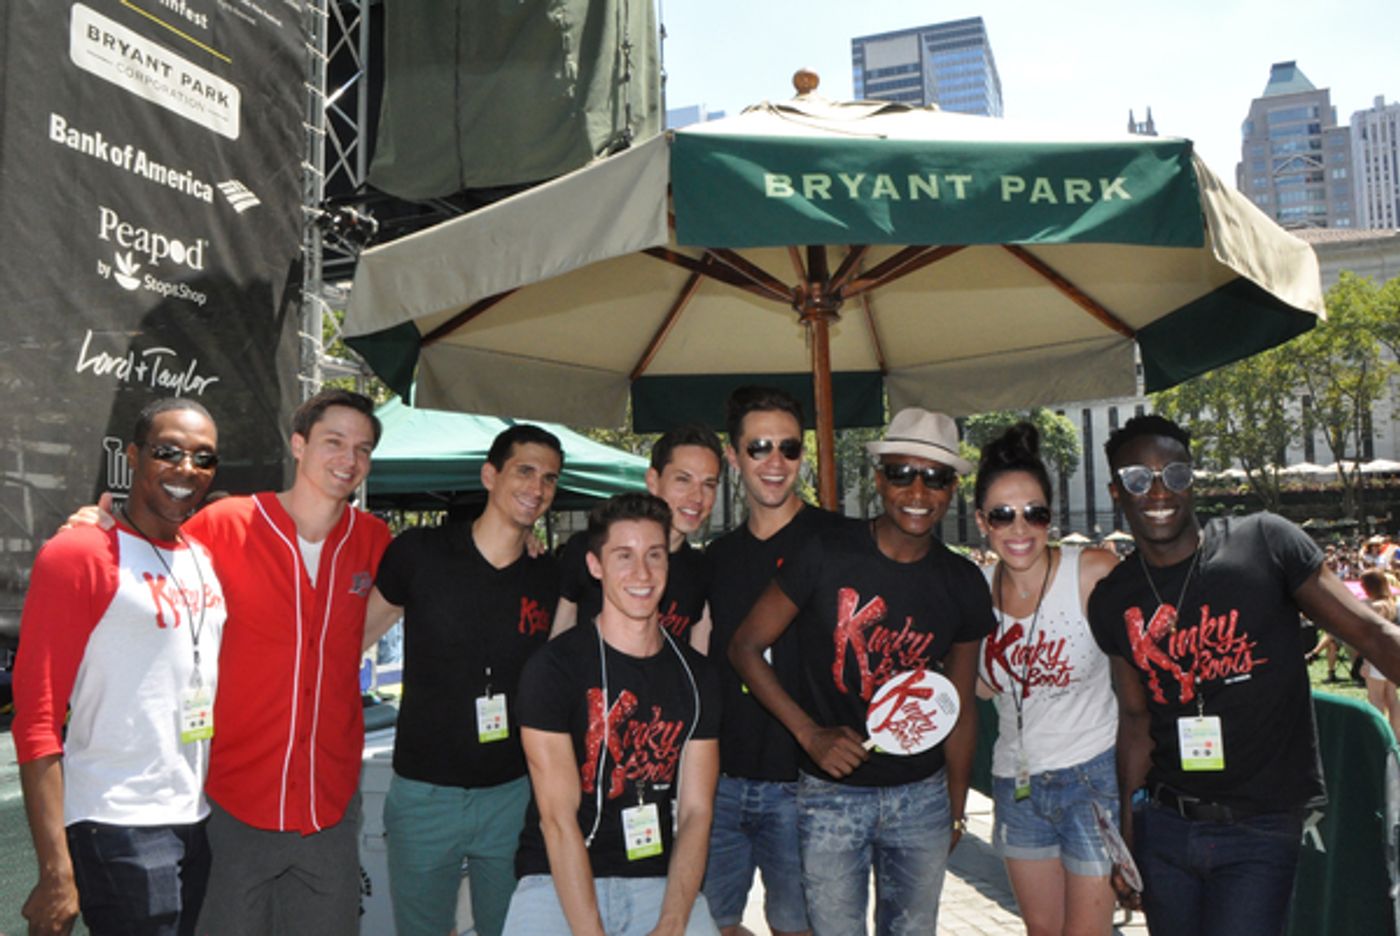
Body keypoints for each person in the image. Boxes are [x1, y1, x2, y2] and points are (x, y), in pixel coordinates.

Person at [1087, 414, 1400, 936]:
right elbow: (1136, 720)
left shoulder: (1264, 544)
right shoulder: (1115, 600)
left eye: (1176, 474)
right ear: (1117, 492)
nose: (1159, 490)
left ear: (1194, 480)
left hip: (1260, 828)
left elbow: (1371, 635)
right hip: (1164, 827)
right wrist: (1128, 832)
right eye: (1139, 478)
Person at [730, 407, 996, 936]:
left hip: (922, 794)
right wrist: (809, 734)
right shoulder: (825, 551)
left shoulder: (962, 581)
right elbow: (744, 646)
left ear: (953, 489)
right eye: (901, 473)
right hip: (831, 794)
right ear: (879, 479)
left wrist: (956, 808)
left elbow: (959, 709)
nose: (918, 491)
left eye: (936, 477)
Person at [15, 398, 227, 936]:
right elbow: (36, 719)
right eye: (168, 452)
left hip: (196, 818)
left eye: (204, 459)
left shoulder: (203, 555)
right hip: (116, 823)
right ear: (132, 457)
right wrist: (55, 869)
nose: (187, 470)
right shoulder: (80, 553)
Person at [364, 425, 564, 936]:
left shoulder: (550, 575)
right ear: (490, 475)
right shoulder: (421, 552)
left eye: (549, 479)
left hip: (512, 794)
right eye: (525, 471)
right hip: (424, 794)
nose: (537, 488)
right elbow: (354, 639)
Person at [502, 492, 722, 935]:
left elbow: (697, 811)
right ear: (595, 565)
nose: (642, 573)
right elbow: (558, 820)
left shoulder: (696, 676)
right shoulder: (553, 669)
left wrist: (673, 921)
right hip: (555, 877)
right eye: (624, 556)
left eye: (654, 556)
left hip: (657, 879)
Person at [702, 385, 849, 936]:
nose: (775, 462)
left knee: (800, 926)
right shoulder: (716, 559)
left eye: (789, 448)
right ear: (734, 455)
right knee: (710, 922)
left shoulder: (840, 541)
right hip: (723, 779)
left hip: (807, 783)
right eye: (759, 447)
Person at [973, 423, 1120, 936]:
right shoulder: (975, 595)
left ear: (1050, 518)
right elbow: (980, 689)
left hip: (1092, 778)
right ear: (981, 523)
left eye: (1035, 513)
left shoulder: (1093, 571)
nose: (1020, 528)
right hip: (1017, 783)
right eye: (1002, 515)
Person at [554, 425, 721, 651]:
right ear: (653, 480)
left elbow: (698, 654)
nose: (697, 497)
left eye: (708, 485)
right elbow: (560, 633)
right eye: (683, 480)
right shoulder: (592, 548)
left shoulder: (702, 569)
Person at [1359, 569, 1400, 738]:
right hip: (1394, 654)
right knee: (1392, 697)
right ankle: (1396, 736)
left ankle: (1379, 738)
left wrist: (1366, 663)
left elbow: (1372, 637)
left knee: (1375, 699)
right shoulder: (1394, 604)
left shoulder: (1373, 606)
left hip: (1377, 657)